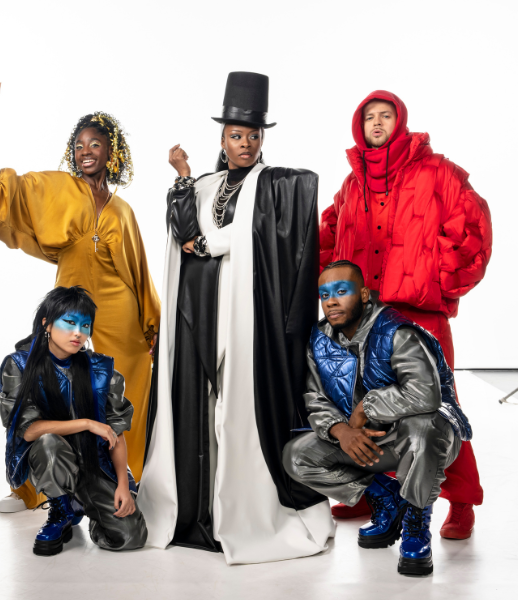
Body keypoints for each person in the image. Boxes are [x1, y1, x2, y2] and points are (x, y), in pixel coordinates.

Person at [138, 72, 334, 565]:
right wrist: (182, 174)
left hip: (245, 318)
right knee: (200, 406)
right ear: (221, 139)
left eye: (253, 136)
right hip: (198, 314)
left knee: (237, 407)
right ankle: (198, 508)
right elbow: (183, 233)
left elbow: (232, 237)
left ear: (262, 138)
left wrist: (210, 242)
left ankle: (241, 510)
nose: (245, 144)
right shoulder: (205, 186)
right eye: (235, 135)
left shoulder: (275, 187)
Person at [0, 80, 160, 511]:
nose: (86, 151)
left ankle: (126, 479)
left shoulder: (123, 211)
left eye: (95, 144)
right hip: (70, 301)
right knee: (44, 383)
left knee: (127, 391)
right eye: (78, 145)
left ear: (112, 153)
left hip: (119, 308)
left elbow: (139, 271)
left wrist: (151, 323)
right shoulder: (56, 189)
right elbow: (0, 191)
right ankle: (33, 484)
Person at [319, 90, 491, 539]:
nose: (377, 123)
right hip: (366, 321)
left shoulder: (438, 172)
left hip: (419, 317)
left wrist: (436, 280)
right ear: (360, 127)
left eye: (385, 115)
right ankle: (373, 493)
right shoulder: (352, 183)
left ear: (401, 121)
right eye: (369, 117)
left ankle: (462, 503)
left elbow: (472, 226)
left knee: (439, 410)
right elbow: (328, 233)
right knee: (363, 409)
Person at [283, 261, 469, 575]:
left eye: (342, 291)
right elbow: (315, 398)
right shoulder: (319, 337)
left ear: (365, 295)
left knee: (424, 428)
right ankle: (387, 498)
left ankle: (415, 525)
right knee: (297, 455)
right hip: (363, 439)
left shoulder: (397, 332)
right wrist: (340, 431)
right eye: (324, 294)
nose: (331, 301)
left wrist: (367, 407)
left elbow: (426, 394)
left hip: (419, 437)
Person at [0, 286, 147, 555]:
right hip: (52, 459)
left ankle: (84, 506)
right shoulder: (19, 365)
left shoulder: (102, 369)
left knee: (130, 537)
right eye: (69, 322)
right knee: (48, 442)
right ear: (46, 323)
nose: (78, 332)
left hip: (95, 463)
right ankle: (62, 509)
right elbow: (29, 430)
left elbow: (116, 432)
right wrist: (87, 423)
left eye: (85, 325)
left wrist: (124, 487)